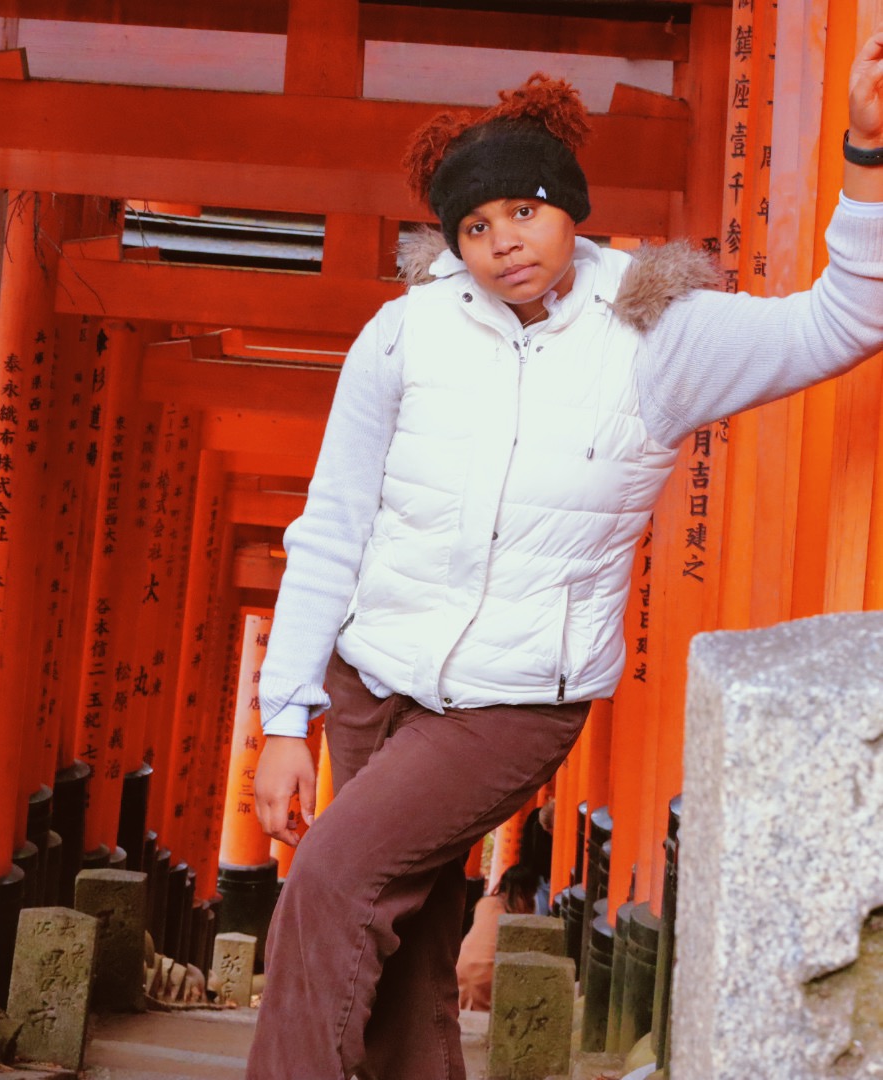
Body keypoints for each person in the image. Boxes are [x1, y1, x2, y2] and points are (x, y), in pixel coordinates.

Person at [244, 32, 883, 1080]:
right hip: (374, 680)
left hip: (511, 703)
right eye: (476, 225)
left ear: (569, 206)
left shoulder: (656, 335)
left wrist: (866, 162)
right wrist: (283, 717)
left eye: (525, 211)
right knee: (405, 962)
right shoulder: (404, 337)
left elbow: (845, 317)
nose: (504, 242)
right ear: (452, 240)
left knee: (330, 882)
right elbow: (333, 526)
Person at [455, 865, 539, 1012]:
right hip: (487, 974)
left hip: (461, 966)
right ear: (527, 893)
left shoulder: (484, 903)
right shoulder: (518, 916)